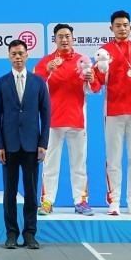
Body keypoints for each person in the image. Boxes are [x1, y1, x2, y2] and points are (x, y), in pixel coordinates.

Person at [33, 23, 100, 216]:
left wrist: (91, 78)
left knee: (79, 165)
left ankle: (81, 201)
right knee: (50, 165)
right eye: (60, 36)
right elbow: (34, 86)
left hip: (77, 120)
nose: (64, 39)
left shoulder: (83, 61)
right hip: (52, 122)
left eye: (67, 36)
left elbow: (95, 88)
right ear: (54, 39)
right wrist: (47, 70)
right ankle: (47, 201)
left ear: (73, 38)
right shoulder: (46, 62)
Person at [0, 39, 50, 250]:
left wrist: (43, 143)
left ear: (27, 56)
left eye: (21, 53)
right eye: (14, 54)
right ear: (9, 56)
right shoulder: (1, 82)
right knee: (9, 192)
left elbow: (46, 114)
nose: (17, 57)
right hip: (9, 146)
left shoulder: (38, 82)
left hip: (32, 146)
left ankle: (30, 233)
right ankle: (11, 233)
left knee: (31, 193)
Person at [95, 9, 131, 216]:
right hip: (113, 111)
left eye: (125, 25)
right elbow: (97, 82)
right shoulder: (104, 52)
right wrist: (96, 73)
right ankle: (114, 201)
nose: (122, 28)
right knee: (114, 159)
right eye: (117, 25)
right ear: (111, 28)